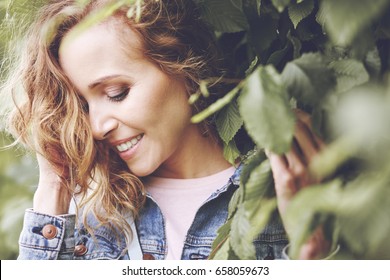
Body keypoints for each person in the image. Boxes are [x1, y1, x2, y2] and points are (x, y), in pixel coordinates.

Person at [3, 0, 331, 260]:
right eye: (84, 106)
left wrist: (309, 257)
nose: (97, 126)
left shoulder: (284, 185)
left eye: (117, 92)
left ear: (179, 60)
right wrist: (52, 189)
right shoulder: (91, 218)